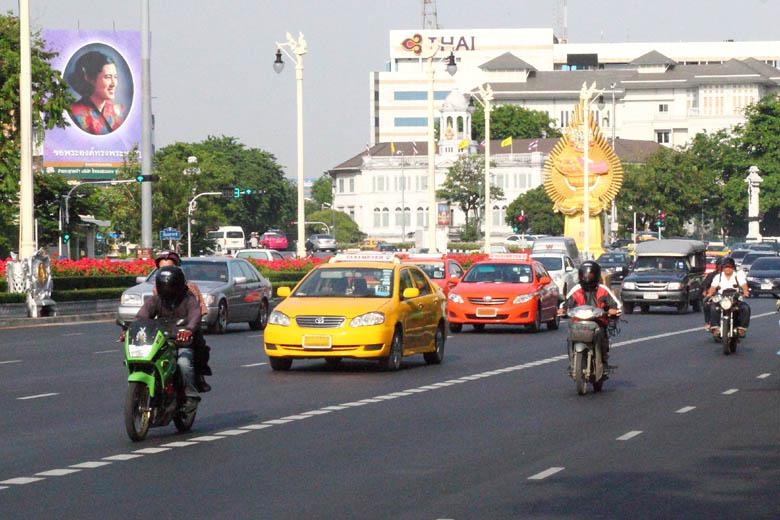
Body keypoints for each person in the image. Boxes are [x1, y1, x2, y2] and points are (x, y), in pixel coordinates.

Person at [136, 266, 201, 412]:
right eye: (164, 285)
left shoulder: (189, 300)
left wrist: (188, 330)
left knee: (183, 363)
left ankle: (190, 395)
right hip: (162, 340)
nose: (168, 289)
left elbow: (195, 316)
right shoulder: (155, 300)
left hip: (182, 341)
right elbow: (141, 317)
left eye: (171, 286)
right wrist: (130, 329)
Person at [154, 251, 212, 392]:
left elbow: (197, 312)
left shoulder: (190, 290)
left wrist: (189, 328)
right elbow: (146, 312)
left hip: (184, 333)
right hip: (164, 333)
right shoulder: (156, 290)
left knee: (187, 360)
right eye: (162, 269)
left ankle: (195, 382)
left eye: (170, 268)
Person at [558, 260, 622, 369]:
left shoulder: (603, 289)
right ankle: (572, 360)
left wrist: (613, 310)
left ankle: (603, 360)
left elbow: (616, 305)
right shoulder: (576, 289)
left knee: (602, 335)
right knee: (570, 337)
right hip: (578, 322)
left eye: (590, 275)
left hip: (598, 322)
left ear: (596, 275)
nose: (587, 278)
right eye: (585, 275)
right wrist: (563, 310)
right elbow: (566, 303)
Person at [66, 51, 126, 135]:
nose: (114, 84)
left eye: (115, 77)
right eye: (108, 77)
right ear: (90, 78)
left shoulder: (117, 111)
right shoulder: (73, 113)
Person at [705, 256, 750, 337]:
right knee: (713, 307)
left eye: (729, 267)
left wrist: (745, 292)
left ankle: (742, 328)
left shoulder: (738, 276)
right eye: (726, 267)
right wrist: (709, 294)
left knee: (745, 308)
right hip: (721, 298)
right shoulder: (718, 277)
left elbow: (744, 285)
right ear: (723, 268)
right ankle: (715, 328)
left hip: (735, 298)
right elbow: (712, 288)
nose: (727, 269)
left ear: (733, 267)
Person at [702, 258, 723, 331]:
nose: (722, 267)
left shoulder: (732, 275)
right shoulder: (712, 275)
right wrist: (705, 291)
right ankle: (708, 322)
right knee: (706, 304)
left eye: (725, 266)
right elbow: (705, 284)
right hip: (715, 296)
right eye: (720, 265)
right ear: (717, 266)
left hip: (728, 296)